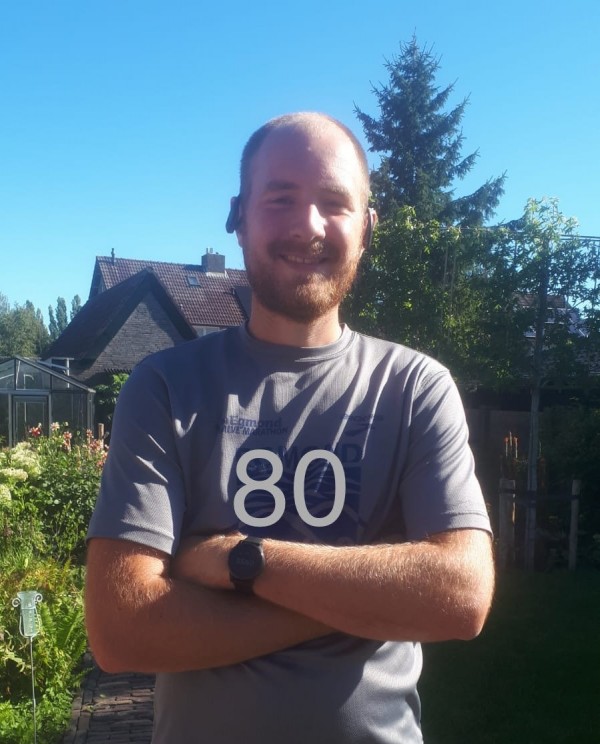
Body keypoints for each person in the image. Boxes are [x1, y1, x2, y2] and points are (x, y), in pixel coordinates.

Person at [85, 112, 495, 743]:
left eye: (335, 202)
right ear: (239, 217)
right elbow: (121, 630)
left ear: (366, 227)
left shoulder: (415, 387)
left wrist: (240, 561)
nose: (309, 225)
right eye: (281, 199)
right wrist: (370, 597)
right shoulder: (166, 386)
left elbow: (461, 595)